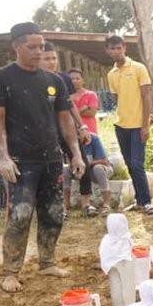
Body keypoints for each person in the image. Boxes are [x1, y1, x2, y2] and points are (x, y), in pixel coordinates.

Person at [0, 22, 85, 293]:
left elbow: (65, 122)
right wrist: (3, 157)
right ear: (16, 46)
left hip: (51, 158)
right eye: (32, 47)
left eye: (41, 46)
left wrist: (75, 154)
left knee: (54, 212)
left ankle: (47, 262)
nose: (39, 52)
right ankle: (10, 272)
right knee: (20, 214)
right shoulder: (1, 78)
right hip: (20, 160)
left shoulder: (54, 81)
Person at [39, 43, 95, 216]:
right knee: (51, 169)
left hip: (66, 128)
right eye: (47, 58)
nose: (51, 62)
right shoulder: (33, 79)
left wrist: (82, 126)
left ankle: (86, 204)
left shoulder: (63, 79)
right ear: (39, 59)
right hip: (43, 132)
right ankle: (59, 207)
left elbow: (70, 105)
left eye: (54, 58)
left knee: (81, 161)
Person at [106, 35, 153, 214]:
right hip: (121, 126)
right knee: (129, 164)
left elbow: (146, 96)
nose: (115, 51)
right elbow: (117, 99)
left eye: (118, 48)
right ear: (107, 51)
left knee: (137, 164)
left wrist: (145, 125)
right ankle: (139, 202)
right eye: (112, 49)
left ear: (124, 48)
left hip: (138, 126)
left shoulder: (138, 68)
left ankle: (147, 202)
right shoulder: (111, 74)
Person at [63, 133, 112, 216]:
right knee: (65, 170)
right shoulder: (70, 141)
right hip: (81, 169)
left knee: (98, 169)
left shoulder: (94, 139)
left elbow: (104, 161)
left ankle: (106, 205)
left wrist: (87, 163)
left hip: (98, 169)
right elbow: (68, 161)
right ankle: (66, 205)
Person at [69, 68, 100, 134]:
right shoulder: (66, 97)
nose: (74, 81)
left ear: (83, 80)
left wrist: (73, 113)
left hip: (90, 131)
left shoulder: (91, 94)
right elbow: (65, 115)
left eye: (77, 78)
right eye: (72, 79)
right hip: (73, 133)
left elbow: (92, 113)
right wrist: (83, 109)